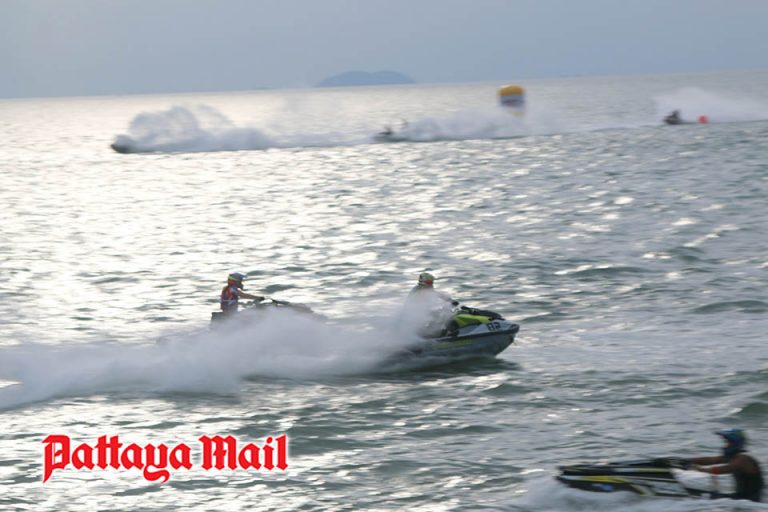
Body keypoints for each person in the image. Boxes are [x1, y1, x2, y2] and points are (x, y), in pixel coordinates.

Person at [687, 429, 763, 502]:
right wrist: (688, 461)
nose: (725, 446)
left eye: (727, 442)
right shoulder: (732, 457)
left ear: (735, 443)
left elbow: (727, 468)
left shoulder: (744, 459)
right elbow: (710, 460)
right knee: (696, 494)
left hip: (749, 501)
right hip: (740, 498)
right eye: (725, 442)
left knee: (698, 495)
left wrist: (700, 469)